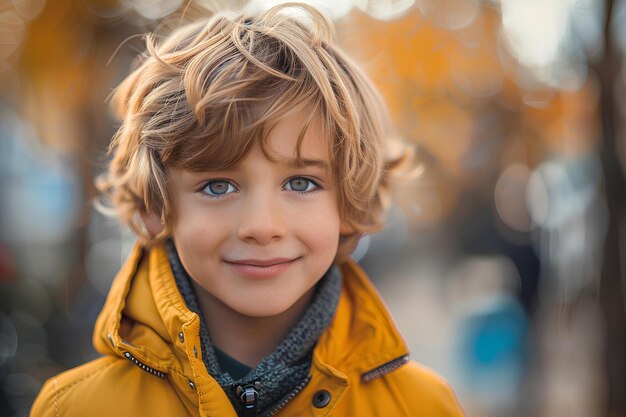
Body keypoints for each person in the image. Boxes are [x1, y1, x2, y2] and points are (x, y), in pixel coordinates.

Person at [31, 3, 465, 416]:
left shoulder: (423, 407)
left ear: (350, 203)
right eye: (218, 186)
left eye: (301, 183)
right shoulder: (73, 409)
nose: (262, 227)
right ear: (155, 206)